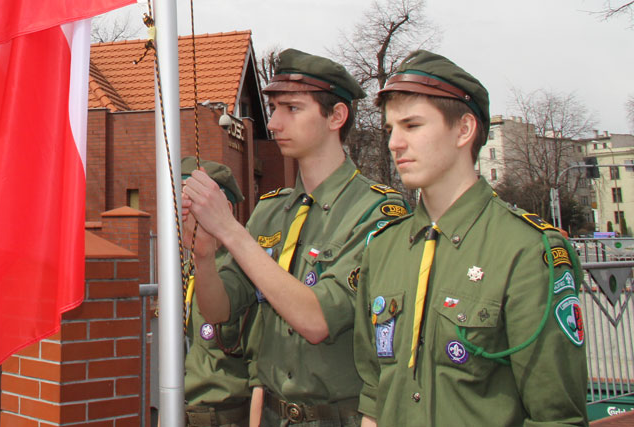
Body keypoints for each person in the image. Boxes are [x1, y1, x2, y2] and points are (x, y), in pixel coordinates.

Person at [354, 50, 588, 426]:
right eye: (390, 129)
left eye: (412, 126)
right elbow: (374, 394)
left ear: (464, 130)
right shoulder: (382, 248)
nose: (394, 143)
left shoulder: (527, 251)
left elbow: (556, 416)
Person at [183, 49, 408, 427]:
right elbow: (220, 312)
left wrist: (230, 231)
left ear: (336, 116)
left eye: (292, 108)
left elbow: (317, 320)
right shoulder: (271, 211)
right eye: (273, 108)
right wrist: (205, 258)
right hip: (269, 413)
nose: (273, 123)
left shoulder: (376, 212)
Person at [182, 157, 261, 427]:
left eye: (189, 203)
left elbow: (261, 364)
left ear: (223, 208)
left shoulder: (244, 268)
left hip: (229, 415)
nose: (179, 212)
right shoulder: (183, 268)